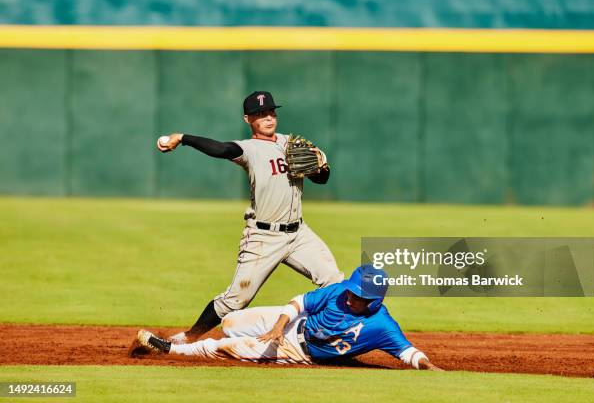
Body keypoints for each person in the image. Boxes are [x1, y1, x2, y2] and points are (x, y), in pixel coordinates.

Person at [157, 91, 344, 344]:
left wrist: (320, 168)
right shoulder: (248, 149)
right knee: (236, 299)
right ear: (248, 119)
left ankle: (313, 335)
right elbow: (221, 149)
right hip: (263, 236)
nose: (268, 117)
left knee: (334, 281)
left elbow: (322, 180)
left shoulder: (292, 143)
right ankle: (189, 337)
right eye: (260, 114)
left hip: (299, 234)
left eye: (271, 112)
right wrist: (183, 138)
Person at [137, 264, 442, 371]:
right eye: (351, 290)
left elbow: (410, 354)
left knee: (224, 347)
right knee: (231, 322)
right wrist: (278, 327)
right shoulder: (339, 292)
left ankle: (169, 348)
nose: (351, 296)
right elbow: (298, 303)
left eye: (359, 296)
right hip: (292, 326)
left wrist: (436, 371)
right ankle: (252, 343)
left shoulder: (382, 325)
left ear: (374, 301)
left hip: (298, 351)